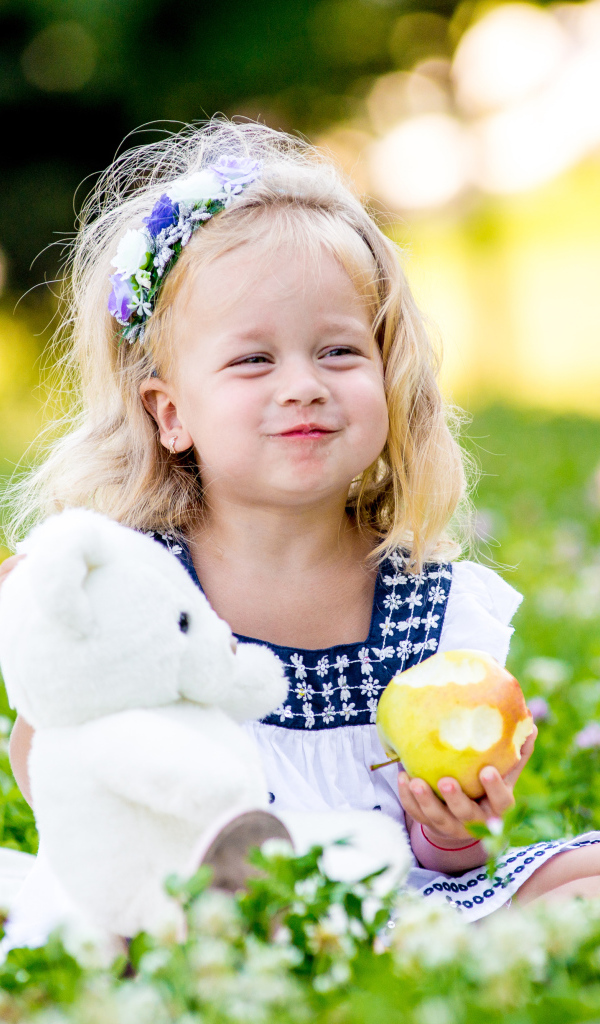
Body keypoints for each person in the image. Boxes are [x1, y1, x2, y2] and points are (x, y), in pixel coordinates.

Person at [2, 119, 600, 941]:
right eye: (254, 361)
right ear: (170, 413)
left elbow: (433, 856)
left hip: (383, 895)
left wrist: (454, 826)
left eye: (339, 352)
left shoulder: (426, 602)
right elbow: (55, 763)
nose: (303, 386)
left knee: (587, 880)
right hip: (200, 904)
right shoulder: (139, 591)